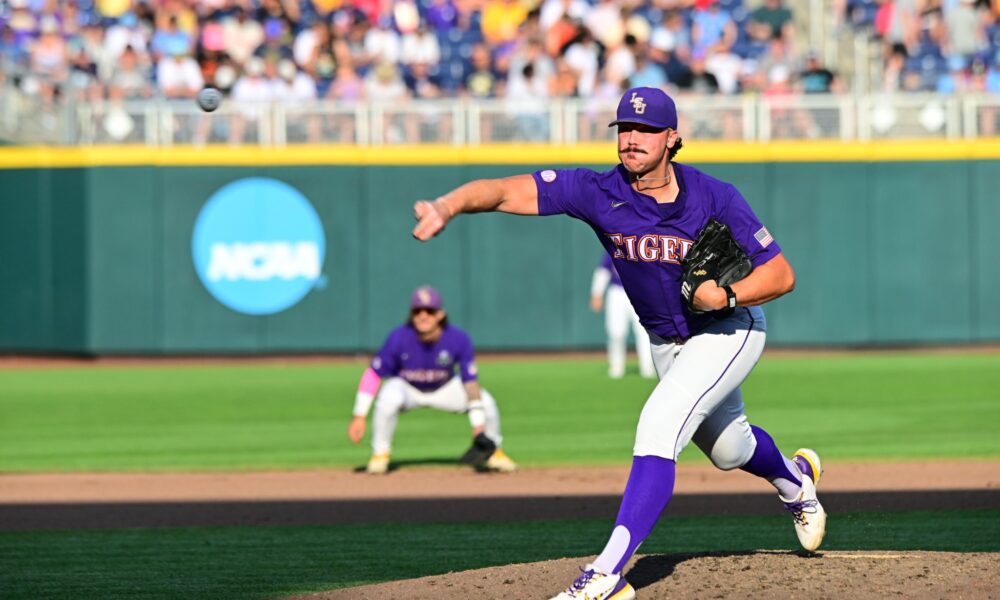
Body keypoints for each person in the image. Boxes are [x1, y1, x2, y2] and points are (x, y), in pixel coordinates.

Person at [411, 87, 826, 600]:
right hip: (666, 340)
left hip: (729, 330)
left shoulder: (714, 195)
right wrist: (450, 205)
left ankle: (607, 574)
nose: (631, 139)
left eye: (646, 131)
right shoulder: (597, 190)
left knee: (658, 425)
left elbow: (782, 274)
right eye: (624, 129)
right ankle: (797, 481)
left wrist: (727, 294)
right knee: (728, 448)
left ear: (673, 138)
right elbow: (503, 191)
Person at [348, 286, 517, 475]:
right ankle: (380, 454)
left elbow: (470, 381)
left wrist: (478, 426)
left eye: (429, 311)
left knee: (486, 402)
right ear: (411, 314)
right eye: (417, 311)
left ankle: (493, 451)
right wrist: (359, 415)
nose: (423, 316)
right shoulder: (399, 337)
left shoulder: (458, 339)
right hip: (408, 388)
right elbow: (374, 373)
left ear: (440, 315)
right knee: (388, 398)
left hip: (444, 388)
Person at [590, 253, 656, 379]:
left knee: (643, 332)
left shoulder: (641, 247)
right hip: (617, 292)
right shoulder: (615, 245)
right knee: (616, 332)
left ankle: (647, 366)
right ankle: (616, 367)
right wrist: (597, 293)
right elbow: (603, 270)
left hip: (639, 291)